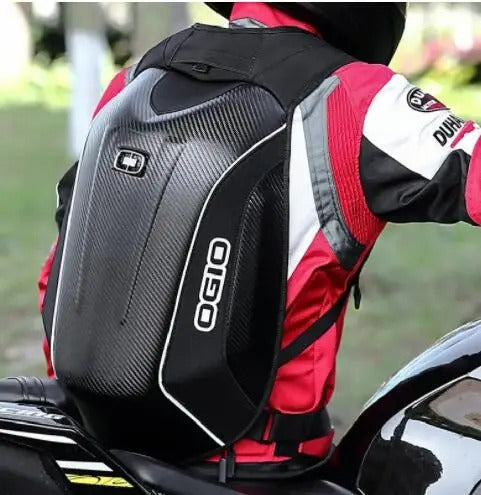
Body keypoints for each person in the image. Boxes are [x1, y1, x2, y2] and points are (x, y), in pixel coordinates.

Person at [38, 1, 481, 480]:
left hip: (94, 451)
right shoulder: (357, 96)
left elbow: (56, 275)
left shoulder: (136, 78)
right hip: (257, 467)